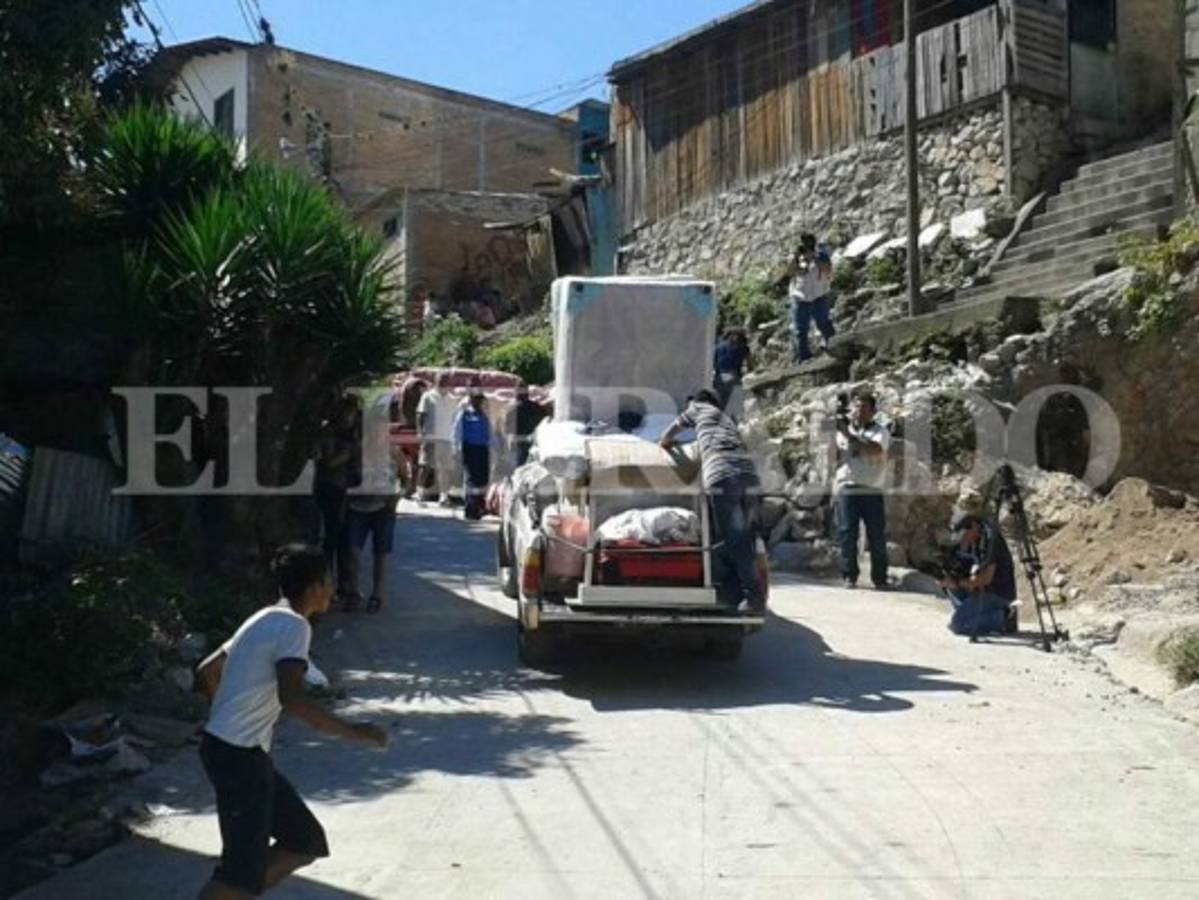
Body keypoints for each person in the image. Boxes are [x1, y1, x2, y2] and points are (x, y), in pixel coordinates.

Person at [194, 545, 388, 900]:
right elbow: (294, 699)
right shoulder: (295, 627)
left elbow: (208, 670)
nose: (332, 589)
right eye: (329, 581)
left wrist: (227, 715)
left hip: (238, 751)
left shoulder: (263, 617)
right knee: (239, 874)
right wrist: (356, 732)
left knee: (304, 840)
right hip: (238, 757)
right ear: (314, 587)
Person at [660, 389, 765, 614]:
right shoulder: (726, 419)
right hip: (749, 476)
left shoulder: (698, 408)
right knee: (745, 538)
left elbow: (669, 434)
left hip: (723, 476)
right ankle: (743, 591)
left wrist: (666, 444)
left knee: (733, 538)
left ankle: (751, 597)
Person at [834, 391, 891, 590]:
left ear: (873, 411)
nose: (859, 411)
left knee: (876, 534)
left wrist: (848, 435)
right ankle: (849, 575)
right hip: (848, 486)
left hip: (871, 488)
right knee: (847, 532)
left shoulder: (880, 431)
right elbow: (837, 456)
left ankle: (880, 578)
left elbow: (874, 450)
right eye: (856, 407)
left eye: (864, 407)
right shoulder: (842, 432)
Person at [312, 397, 359, 602]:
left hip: (348, 490)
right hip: (330, 490)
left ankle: (344, 584)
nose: (350, 417)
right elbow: (328, 463)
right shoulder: (328, 434)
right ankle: (327, 584)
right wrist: (349, 453)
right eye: (347, 413)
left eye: (353, 413)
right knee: (330, 539)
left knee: (346, 541)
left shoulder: (352, 434)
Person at [941, 512, 1019, 636]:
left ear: (973, 526)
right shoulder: (974, 537)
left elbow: (987, 578)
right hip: (981, 589)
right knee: (952, 588)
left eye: (964, 535)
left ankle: (1003, 618)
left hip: (997, 592)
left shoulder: (991, 539)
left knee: (959, 624)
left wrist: (958, 582)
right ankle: (976, 614)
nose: (963, 539)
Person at [788, 233, 836, 363]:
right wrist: (796, 258)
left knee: (824, 323)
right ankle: (803, 357)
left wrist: (815, 258)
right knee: (800, 330)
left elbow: (828, 271)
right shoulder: (796, 258)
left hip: (819, 295)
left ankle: (834, 347)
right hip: (800, 298)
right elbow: (789, 272)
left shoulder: (821, 256)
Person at [453, 383, 497, 520]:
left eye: (480, 399)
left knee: (482, 478)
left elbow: (490, 433)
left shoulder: (484, 415)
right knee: (471, 479)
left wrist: (495, 449)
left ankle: (479, 507)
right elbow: (456, 432)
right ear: (471, 399)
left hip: (483, 449)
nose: (478, 401)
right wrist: (456, 449)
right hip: (469, 448)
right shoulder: (464, 414)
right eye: (476, 399)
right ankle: (470, 508)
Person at [416, 374, 452, 505]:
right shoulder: (428, 396)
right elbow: (420, 414)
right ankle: (419, 493)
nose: (443, 383)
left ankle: (444, 496)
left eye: (446, 380)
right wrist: (420, 432)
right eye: (441, 380)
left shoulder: (451, 398)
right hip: (430, 436)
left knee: (444, 468)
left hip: (446, 438)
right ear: (436, 381)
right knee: (425, 466)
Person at [713, 328, 752, 414]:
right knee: (734, 410)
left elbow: (714, 364)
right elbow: (750, 365)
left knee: (720, 407)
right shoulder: (743, 347)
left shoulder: (718, 346)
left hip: (719, 378)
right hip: (734, 378)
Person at [510, 384, 546, 469]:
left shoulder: (512, 408)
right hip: (527, 440)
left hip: (524, 440)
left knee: (520, 465)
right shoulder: (535, 407)